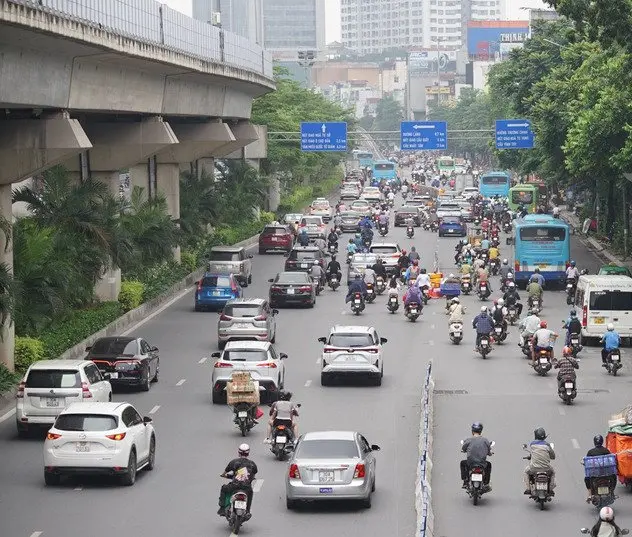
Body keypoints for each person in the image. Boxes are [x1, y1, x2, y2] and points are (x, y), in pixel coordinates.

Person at [218, 444, 258, 516]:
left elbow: (226, 471)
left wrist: (223, 475)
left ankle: (222, 508)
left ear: (239, 452)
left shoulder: (234, 462)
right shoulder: (252, 464)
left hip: (235, 486)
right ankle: (248, 511)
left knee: (224, 488)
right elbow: (253, 474)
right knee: (250, 494)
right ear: (248, 453)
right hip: (246, 487)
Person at [523, 428, 556, 495]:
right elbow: (553, 457)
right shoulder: (547, 445)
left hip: (534, 468)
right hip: (546, 468)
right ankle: (550, 489)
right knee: (553, 472)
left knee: (526, 472)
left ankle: (528, 489)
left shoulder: (532, 444)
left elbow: (532, 453)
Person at [460, 422, 493, 489]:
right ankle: (486, 483)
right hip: (482, 463)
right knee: (488, 465)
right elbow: (489, 451)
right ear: (481, 431)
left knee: (462, 463)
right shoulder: (485, 440)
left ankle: (465, 481)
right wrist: (490, 453)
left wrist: (464, 450)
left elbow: (463, 448)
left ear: (472, 431)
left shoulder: (468, 440)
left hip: (471, 463)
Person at [584, 435, 616, 503]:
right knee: (614, 476)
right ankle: (612, 491)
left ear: (594, 442)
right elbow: (610, 461)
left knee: (587, 478)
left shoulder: (590, 452)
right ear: (602, 442)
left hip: (595, 474)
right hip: (606, 474)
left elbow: (587, 462)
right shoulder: (606, 450)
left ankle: (590, 494)